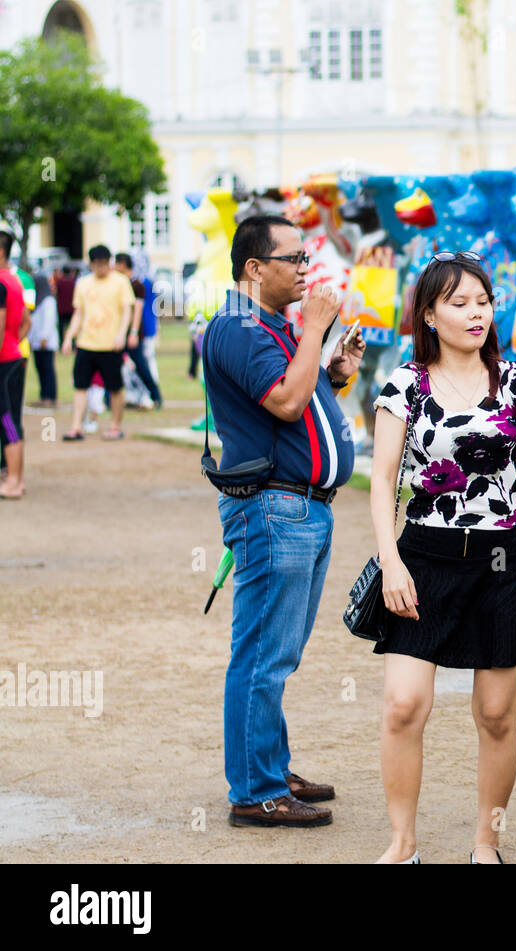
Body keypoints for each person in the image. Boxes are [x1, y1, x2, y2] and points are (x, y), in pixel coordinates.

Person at [369, 251, 516, 864]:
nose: (476, 313)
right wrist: (390, 562)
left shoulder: (515, 380)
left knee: (497, 715)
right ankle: (403, 844)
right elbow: (382, 481)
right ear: (428, 314)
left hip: (502, 561)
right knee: (402, 705)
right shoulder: (402, 386)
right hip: (423, 556)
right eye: (459, 303)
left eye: (483, 301)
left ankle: (485, 844)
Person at [203, 214, 364, 828]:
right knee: (262, 654)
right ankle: (255, 790)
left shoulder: (270, 327)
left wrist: (333, 367)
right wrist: (317, 330)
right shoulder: (239, 327)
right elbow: (287, 401)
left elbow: (302, 400)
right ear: (254, 267)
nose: (305, 269)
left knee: (279, 651)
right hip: (274, 509)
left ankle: (269, 765)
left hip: (297, 509)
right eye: (293, 259)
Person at [60, 245, 134, 441]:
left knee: (115, 387)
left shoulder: (120, 282)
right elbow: (78, 313)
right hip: (86, 343)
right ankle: (76, 427)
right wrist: (69, 337)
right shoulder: (83, 283)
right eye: (97, 264)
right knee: (80, 386)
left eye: (104, 264)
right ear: (91, 264)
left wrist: (123, 334)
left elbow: (127, 310)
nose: (101, 268)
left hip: (111, 344)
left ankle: (116, 426)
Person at [0, 232, 30, 499]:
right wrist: (12, 341)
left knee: (6, 420)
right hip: (13, 357)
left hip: (3, 361)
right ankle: (16, 480)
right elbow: (26, 322)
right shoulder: (15, 280)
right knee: (10, 421)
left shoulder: (0, 282)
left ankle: (13, 481)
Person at [115, 252, 163, 410]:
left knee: (142, 366)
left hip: (134, 333)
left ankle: (154, 396)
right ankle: (117, 398)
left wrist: (134, 332)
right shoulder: (121, 284)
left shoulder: (139, 284)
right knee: (115, 365)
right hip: (120, 332)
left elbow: (139, 309)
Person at [29, 272, 58, 407]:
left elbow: (49, 321)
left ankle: (50, 396)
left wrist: (44, 338)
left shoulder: (48, 301)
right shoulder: (36, 300)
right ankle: (43, 395)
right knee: (40, 368)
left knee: (47, 369)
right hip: (36, 342)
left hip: (46, 342)